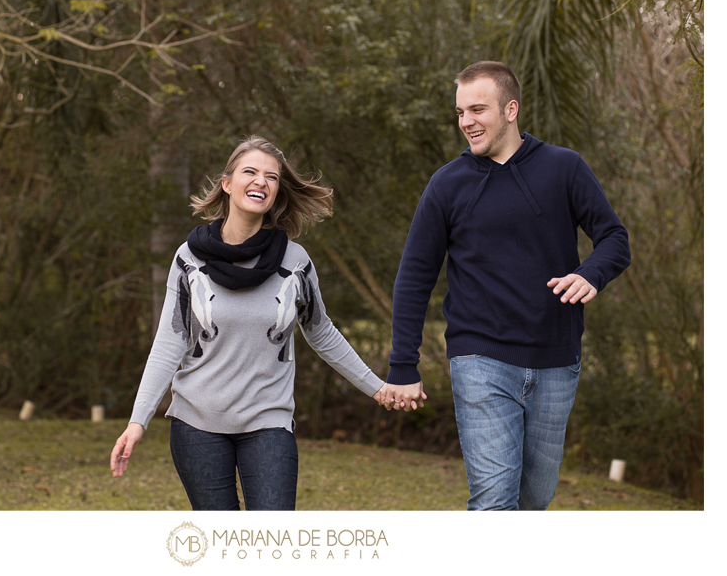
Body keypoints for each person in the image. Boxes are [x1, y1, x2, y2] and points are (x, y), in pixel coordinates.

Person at [383, 61, 630, 510]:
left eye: (477, 109)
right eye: (460, 112)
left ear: (511, 109)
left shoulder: (564, 168)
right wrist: (403, 364)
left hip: (557, 360)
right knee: (496, 500)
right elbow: (416, 275)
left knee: (533, 500)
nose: (466, 122)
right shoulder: (447, 185)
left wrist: (590, 273)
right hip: (480, 357)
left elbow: (614, 239)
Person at [110, 136, 387, 510]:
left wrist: (377, 388)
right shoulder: (189, 259)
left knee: (270, 545)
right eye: (250, 172)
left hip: (268, 423)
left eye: (271, 177)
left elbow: (321, 332)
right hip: (197, 424)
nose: (261, 182)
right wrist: (137, 421)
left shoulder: (295, 262)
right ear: (227, 183)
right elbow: (169, 342)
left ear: (276, 191)